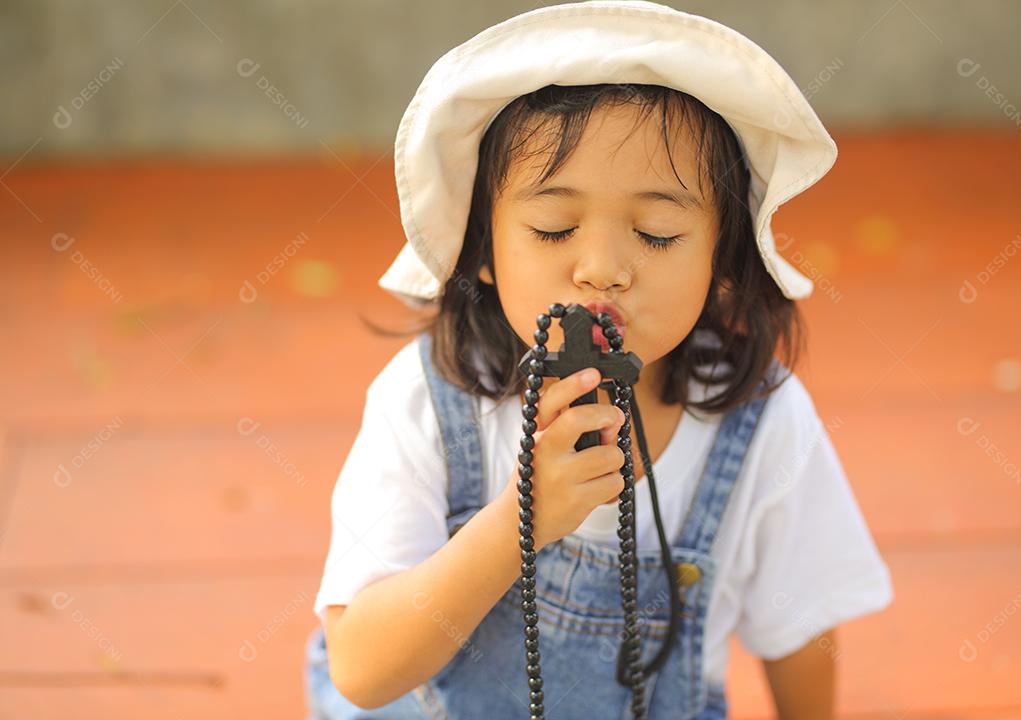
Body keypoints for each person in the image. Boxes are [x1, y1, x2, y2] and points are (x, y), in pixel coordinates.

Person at [305, 2, 893, 718]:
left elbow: (799, 631)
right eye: (553, 229)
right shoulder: (432, 399)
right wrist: (524, 517)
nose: (603, 268)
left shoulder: (759, 421)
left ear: (725, 259)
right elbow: (362, 669)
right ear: (481, 248)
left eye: (658, 233)